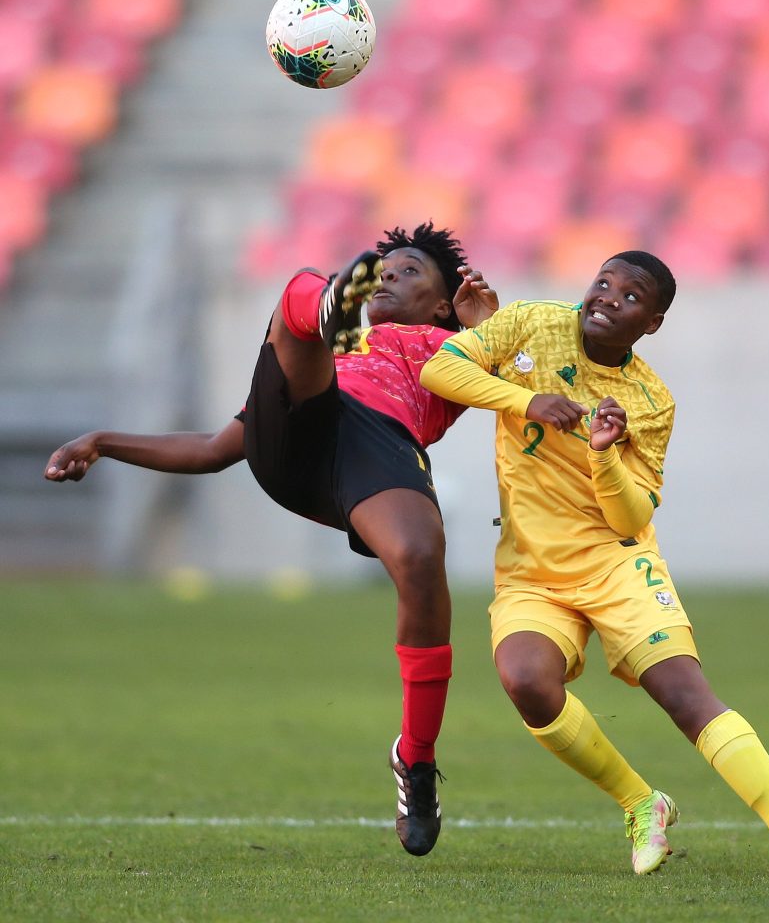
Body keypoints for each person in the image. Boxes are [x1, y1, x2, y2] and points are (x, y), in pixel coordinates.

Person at [44, 222, 498, 858]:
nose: (390, 275)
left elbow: (531, 381)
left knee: (421, 558)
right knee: (298, 298)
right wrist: (103, 441)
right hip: (296, 433)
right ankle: (323, 302)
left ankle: (416, 759)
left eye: (410, 271)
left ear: (444, 305)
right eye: (384, 269)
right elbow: (212, 449)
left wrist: (487, 331)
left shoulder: (456, 346)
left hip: (377, 449)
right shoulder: (323, 358)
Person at [420, 250, 769, 880]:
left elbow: (629, 515)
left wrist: (604, 455)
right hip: (532, 569)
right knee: (526, 680)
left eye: (632, 296)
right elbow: (439, 370)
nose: (609, 297)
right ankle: (643, 803)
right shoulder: (533, 321)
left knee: (683, 695)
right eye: (603, 282)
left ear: (652, 323)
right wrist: (527, 402)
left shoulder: (649, 400)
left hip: (617, 563)